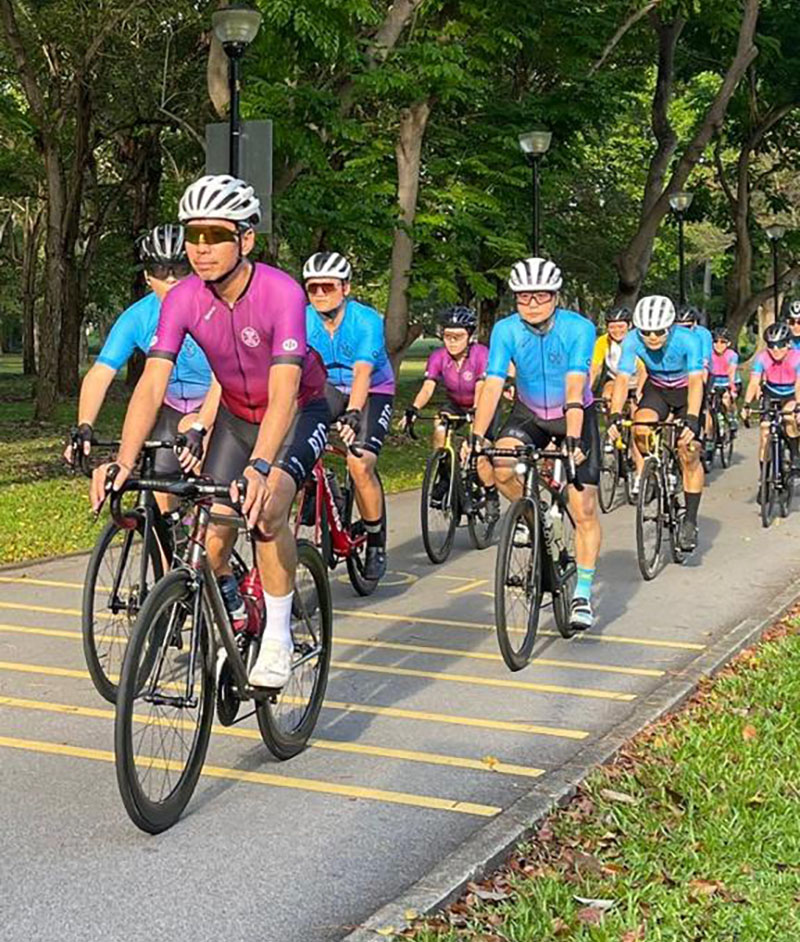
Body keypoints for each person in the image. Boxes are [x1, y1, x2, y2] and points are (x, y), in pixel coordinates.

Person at [90, 174, 330, 690]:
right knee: (214, 532)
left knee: (265, 511)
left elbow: (285, 390)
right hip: (236, 418)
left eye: (215, 235)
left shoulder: (280, 292)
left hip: (297, 414)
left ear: (245, 239)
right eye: (193, 235)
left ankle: (279, 637)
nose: (201, 248)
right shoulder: (183, 299)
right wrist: (124, 462)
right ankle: (235, 617)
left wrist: (262, 468)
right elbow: (152, 384)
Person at [471, 257, 601, 631]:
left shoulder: (579, 328)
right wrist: (478, 436)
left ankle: (582, 595)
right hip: (529, 411)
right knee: (500, 464)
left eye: (540, 296)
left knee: (583, 506)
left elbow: (576, 385)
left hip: (573, 414)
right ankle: (534, 514)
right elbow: (494, 383)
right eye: (523, 297)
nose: (531, 304)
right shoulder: (505, 330)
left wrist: (573, 437)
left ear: (555, 296)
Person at [65, 225, 212, 511]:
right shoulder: (137, 317)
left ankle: (211, 529)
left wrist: (200, 424)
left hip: (216, 404)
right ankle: (172, 547)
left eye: (180, 268)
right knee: (157, 494)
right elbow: (101, 373)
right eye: (160, 269)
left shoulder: (212, 309)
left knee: (214, 493)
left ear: (194, 270)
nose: (171, 278)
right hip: (171, 406)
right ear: (147, 277)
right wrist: (84, 425)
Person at [303, 250, 393, 581]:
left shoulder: (366, 320)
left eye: (328, 287)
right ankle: (320, 491)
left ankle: (375, 541)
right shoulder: (302, 319)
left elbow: (362, 374)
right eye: (313, 288)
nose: (320, 294)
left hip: (371, 392)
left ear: (346, 288)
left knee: (359, 461)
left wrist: (354, 412)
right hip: (326, 389)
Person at [607, 295, 704, 550]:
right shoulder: (632, 340)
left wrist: (692, 419)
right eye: (646, 332)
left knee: (689, 451)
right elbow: (621, 378)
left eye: (658, 332)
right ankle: (652, 471)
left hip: (686, 393)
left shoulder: (688, 340)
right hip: (658, 389)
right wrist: (615, 414)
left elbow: (696, 382)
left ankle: (691, 521)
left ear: (671, 326)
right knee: (640, 427)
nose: (651, 337)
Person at [402, 305, 499, 513]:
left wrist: (476, 411)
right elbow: (428, 387)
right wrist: (413, 408)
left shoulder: (481, 354)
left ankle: (491, 493)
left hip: (480, 404)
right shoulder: (439, 357)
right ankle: (446, 474)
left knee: (478, 453)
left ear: (470, 336)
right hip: (455, 402)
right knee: (439, 427)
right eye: (447, 336)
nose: (452, 342)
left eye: (458, 336)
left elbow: (482, 387)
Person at [590, 305, 646, 492]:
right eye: (612, 326)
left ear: (629, 325)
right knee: (607, 395)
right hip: (617, 380)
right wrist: (585, 392)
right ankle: (613, 431)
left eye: (621, 326)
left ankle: (640, 473)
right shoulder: (603, 342)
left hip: (638, 380)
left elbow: (643, 371)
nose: (616, 330)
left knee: (637, 425)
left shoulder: (636, 341)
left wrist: (639, 392)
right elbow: (595, 369)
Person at [741, 321, 800, 472]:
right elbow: (754, 383)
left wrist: (798, 406)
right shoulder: (762, 358)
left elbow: (799, 386)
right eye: (771, 345)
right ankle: (764, 477)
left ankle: (794, 454)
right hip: (771, 392)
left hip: (791, 394)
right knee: (765, 431)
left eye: (780, 345)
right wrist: (746, 405)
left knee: (789, 418)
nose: (775, 350)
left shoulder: (796, 357)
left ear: (788, 344)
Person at [677, 306, 714, 461]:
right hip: (681, 375)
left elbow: (703, 364)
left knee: (701, 406)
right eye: (680, 326)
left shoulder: (702, 335)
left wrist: (701, 388)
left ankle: (707, 437)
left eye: (687, 326)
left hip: (701, 372)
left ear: (695, 324)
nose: (683, 330)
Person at [709, 327, 739, 429]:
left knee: (727, 399)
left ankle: (732, 417)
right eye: (715, 341)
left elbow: (731, 372)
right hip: (714, 382)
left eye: (723, 342)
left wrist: (732, 388)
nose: (718, 345)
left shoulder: (732, 355)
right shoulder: (709, 354)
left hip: (729, 381)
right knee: (709, 405)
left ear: (728, 344)